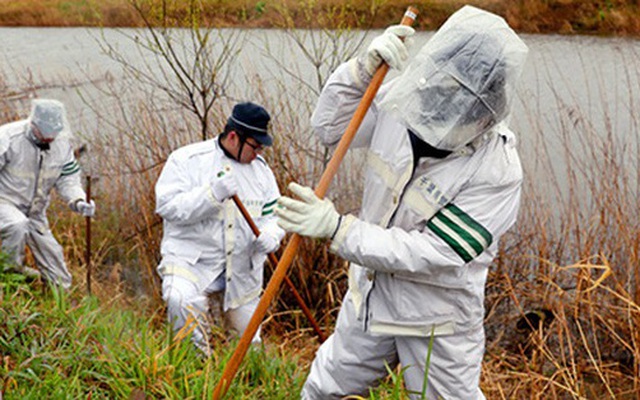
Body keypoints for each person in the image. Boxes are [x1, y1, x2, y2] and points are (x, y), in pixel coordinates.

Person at [275, 6, 529, 399]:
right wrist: (361, 71)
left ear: (488, 110)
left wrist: (338, 229)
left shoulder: (497, 170)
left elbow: (434, 252)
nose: (443, 116)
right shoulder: (403, 99)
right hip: (369, 297)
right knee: (324, 389)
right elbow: (330, 128)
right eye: (442, 93)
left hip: (435, 319)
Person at [155, 102, 284, 356]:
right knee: (180, 300)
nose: (258, 154)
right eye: (254, 146)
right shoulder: (186, 160)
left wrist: (273, 235)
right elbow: (167, 207)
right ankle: (196, 368)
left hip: (241, 269)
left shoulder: (262, 173)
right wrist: (211, 195)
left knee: (250, 346)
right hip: (191, 261)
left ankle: (249, 383)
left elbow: (275, 215)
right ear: (234, 136)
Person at [0, 99, 96, 288]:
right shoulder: (8, 138)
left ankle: (59, 295)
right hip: (4, 202)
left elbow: (68, 179)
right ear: (33, 124)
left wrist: (78, 200)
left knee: (57, 269)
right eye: (44, 132)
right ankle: (8, 275)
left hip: (35, 211)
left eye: (54, 133)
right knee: (17, 224)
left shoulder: (62, 145)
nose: (49, 138)